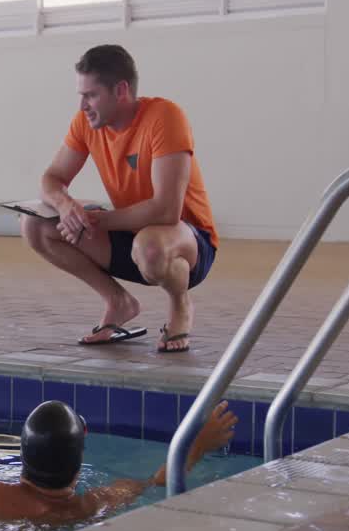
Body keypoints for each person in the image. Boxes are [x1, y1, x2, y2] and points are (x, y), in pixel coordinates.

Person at [23, 44, 219, 353]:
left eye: (91, 95)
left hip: (187, 242)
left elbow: (167, 210)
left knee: (150, 246)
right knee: (34, 224)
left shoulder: (165, 117)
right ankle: (118, 302)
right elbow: (51, 179)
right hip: (131, 235)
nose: (83, 106)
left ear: (122, 90)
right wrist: (66, 207)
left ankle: (180, 304)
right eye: (81, 96)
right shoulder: (86, 124)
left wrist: (97, 219)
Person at [0, 399, 237, 523]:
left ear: (23, 454)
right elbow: (157, 482)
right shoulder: (87, 507)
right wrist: (197, 447)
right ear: (78, 463)